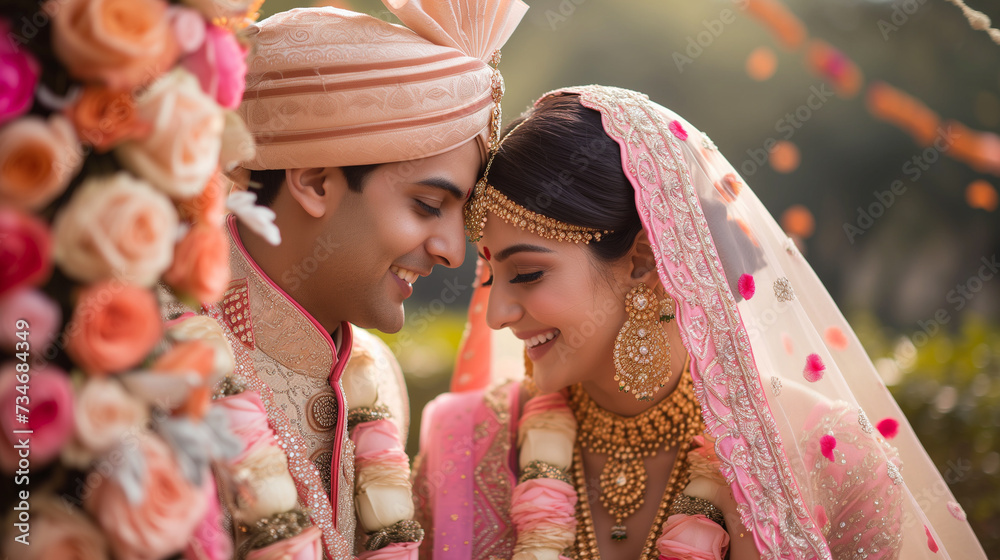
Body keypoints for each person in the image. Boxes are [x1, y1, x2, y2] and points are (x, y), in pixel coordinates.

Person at [412, 85, 988, 560]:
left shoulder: (822, 452)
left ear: (641, 258)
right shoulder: (466, 445)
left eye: (528, 274)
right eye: (489, 275)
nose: (497, 314)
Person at [160, 2, 527, 558]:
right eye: (428, 205)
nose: (455, 250)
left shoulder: (376, 376)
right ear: (314, 183)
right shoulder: (147, 358)